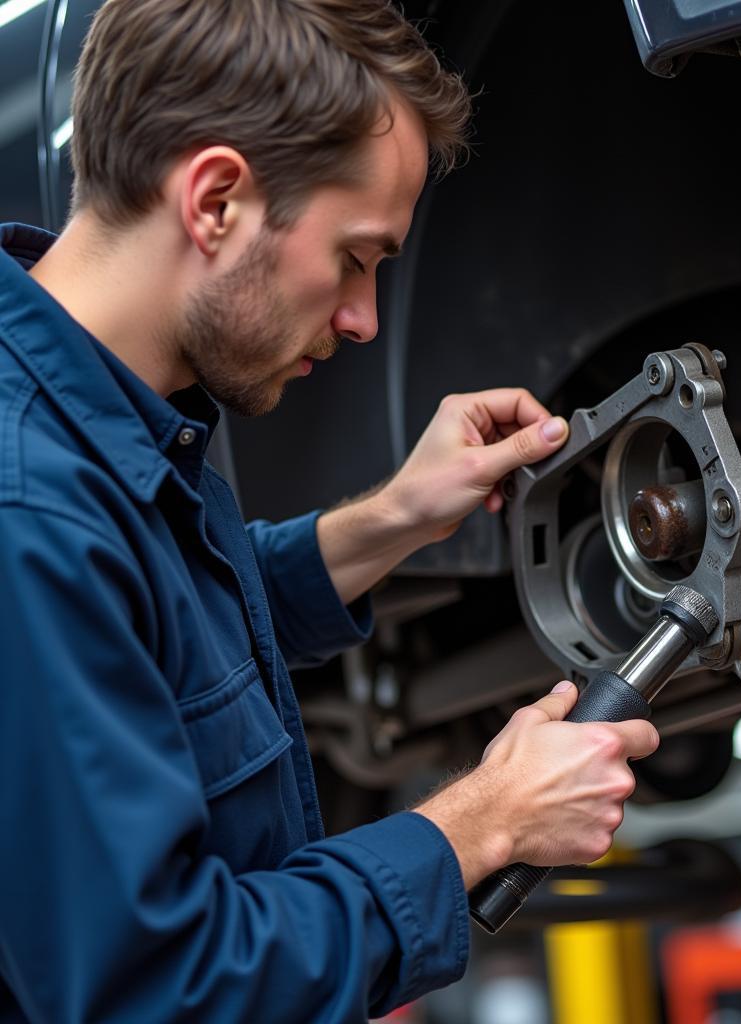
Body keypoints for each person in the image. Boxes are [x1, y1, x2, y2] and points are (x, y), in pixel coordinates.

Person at [0, 1, 659, 1020]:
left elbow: (159, 633)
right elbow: (155, 990)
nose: (361, 319)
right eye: (354, 258)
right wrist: (483, 820)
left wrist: (396, 514)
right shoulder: (30, 507)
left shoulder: (98, 429)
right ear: (215, 199)